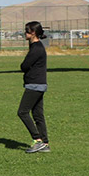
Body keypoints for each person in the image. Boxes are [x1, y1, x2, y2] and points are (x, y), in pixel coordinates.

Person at [17, 21, 50, 153]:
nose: (25, 33)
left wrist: (26, 68)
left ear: (33, 33)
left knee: (22, 112)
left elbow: (24, 66)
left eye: (27, 31)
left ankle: (37, 140)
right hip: (39, 84)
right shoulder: (36, 46)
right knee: (37, 115)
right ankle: (45, 143)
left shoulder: (36, 48)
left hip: (35, 85)